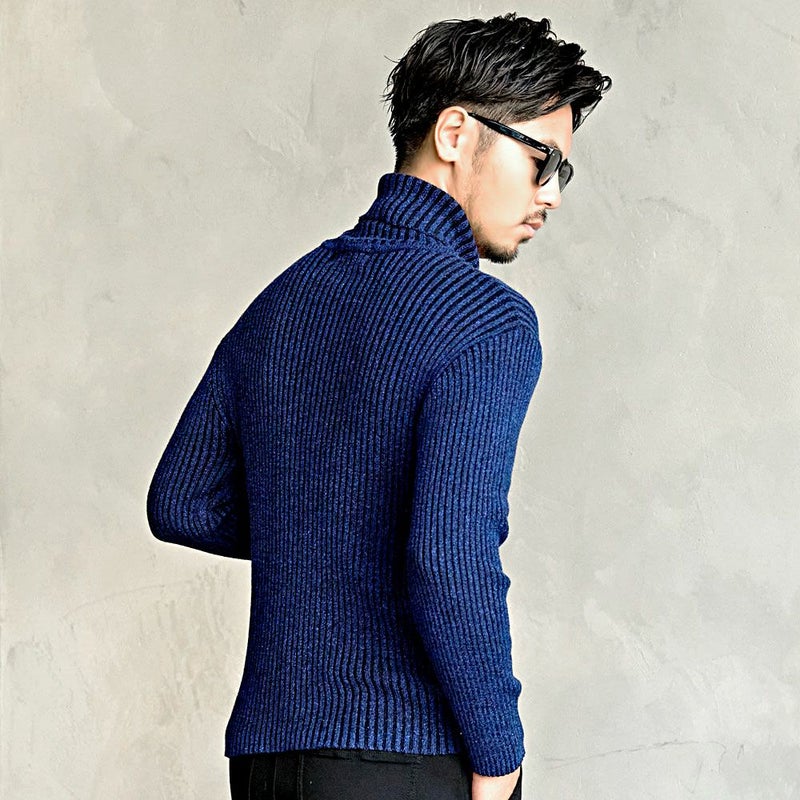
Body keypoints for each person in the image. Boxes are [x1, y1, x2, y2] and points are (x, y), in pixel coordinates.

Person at [146, 12, 610, 800]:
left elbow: (184, 501)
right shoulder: (485, 321)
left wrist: (326, 531)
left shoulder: (286, 298)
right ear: (455, 133)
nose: (551, 195)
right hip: (405, 756)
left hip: (268, 758)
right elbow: (448, 554)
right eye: (542, 161)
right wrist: (499, 754)